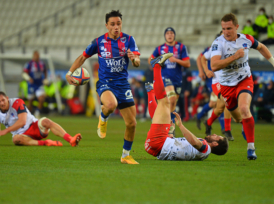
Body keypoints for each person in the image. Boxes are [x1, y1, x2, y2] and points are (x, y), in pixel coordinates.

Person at [65, 10, 140, 164]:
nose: (116, 27)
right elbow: (82, 57)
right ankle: (103, 116)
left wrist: (134, 59)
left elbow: (137, 61)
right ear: (106, 25)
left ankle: (125, 155)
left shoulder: (129, 40)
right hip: (105, 82)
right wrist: (69, 73)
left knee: (132, 123)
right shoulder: (98, 42)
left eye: (118, 24)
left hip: (122, 84)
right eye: (112, 24)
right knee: (111, 105)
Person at [210, 13, 274, 160]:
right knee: (238, 118)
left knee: (245, 109)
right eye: (224, 28)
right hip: (226, 85)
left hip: (244, 79)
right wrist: (234, 57)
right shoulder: (218, 43)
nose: (226, 31)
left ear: (237, 27)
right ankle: (245, 128)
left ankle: (251, 148)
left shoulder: (246, 39)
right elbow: (214, 65)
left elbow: (262, 47)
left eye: (229, 28)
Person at [144, 53, 228, 161]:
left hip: (159, 143)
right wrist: (170, 132)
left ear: (215, 143)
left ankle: (156, 66)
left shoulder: (205, 148)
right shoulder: (203, 155)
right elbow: (180, 148)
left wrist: (181, 126)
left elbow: (195, 142)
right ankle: (150, 91)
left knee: (165, 102)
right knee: (161, 115)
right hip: (157, 149)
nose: (215, 134)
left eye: (217, 136)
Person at [0, 91, 82, 147]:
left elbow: (22, 122)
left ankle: (70, 139)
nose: (2, 103)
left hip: (34, 126)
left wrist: (6, 131)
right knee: (16, 140)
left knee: (46, 121)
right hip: (22, 135)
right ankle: (46, 143)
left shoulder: (17, 102)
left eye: (3, 100)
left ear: (7, 98)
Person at [148, 27, 190, 137]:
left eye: (171, 33)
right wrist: (159, 64)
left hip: (177, 80)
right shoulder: (160, 48)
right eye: (167, 33)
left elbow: (188, 64)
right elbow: (150, 60)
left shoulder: (181, 47)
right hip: (165, 78)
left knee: (171, 104)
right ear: (165, 36)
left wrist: (176, 60)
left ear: (174, 35)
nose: (170, 35)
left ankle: (167, 125)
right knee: (170, 99)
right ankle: (168, 127)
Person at [22, 50, 48, 118]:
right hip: (31, 85)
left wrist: (45, 78)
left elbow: (45, 71)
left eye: (38, 55)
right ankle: (27, 116)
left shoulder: (42, 63)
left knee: (42, 98)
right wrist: (28, 78)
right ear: (33, 56)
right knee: (30, 101)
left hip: (39, 84)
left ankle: (37, 113)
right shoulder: (29, 64)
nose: (37, 57)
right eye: (36, 55)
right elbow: (24, 72)